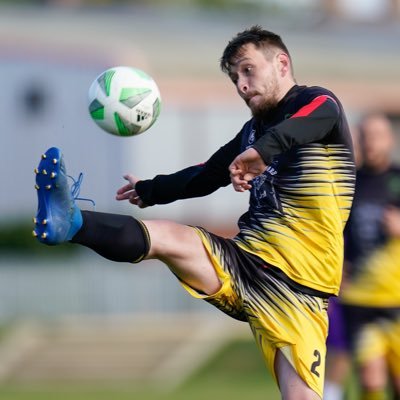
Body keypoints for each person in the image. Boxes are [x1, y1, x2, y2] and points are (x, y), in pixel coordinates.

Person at [32, 26, 355, 400]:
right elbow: (208, 172)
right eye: (235, 78)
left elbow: (318, 117)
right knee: (171, 238)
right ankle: (69, 223)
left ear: (281, 63)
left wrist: (264, 151)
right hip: (246, 259)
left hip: (301, 287)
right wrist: (150, 189)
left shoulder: (316, 104)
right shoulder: (252, 133)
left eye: (248, 70)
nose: (241, 85)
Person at [338, 112, 400, 400]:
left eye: (376, 135)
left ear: (391, 139)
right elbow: (335, 234)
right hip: (361, 297)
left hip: (396, 296)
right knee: (369, 377)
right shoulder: (349, 184)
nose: (370, 142)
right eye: (364, 136)